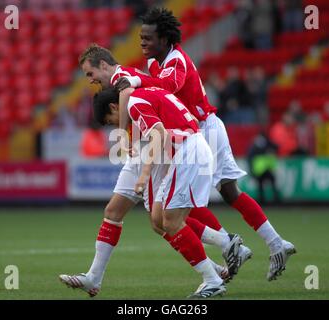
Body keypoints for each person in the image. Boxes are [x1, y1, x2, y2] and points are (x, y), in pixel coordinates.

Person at [116, 7, 295, 281]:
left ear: (164, 40)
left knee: (193, 199)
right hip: (192, 134)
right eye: (140, 37)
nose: (142, 43)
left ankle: (236, 244)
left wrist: (135, 80)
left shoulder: (178, 62)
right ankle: (265, 243)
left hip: (203, 131)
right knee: (218, 194)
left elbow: (165, 88)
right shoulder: (155, 63)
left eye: (148, 38)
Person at [59, 48, 250, 297]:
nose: (90, 79)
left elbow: (138, 107)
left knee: (163, 220)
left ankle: (219, 258)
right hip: (157, 147)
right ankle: (94, 278)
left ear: (104, 65)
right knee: (118, 212)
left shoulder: (122, 82)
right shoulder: (127, 82)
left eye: (90, 73)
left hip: (155, 149)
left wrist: (127, 141)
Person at [247, 131, 280, 204]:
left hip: (262, 169)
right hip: (261, 170)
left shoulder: (255, 146)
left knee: (263, 185)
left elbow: (250, 158)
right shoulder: (260, 145)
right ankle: (273, 199)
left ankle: (267, 200)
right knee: (266, 184)